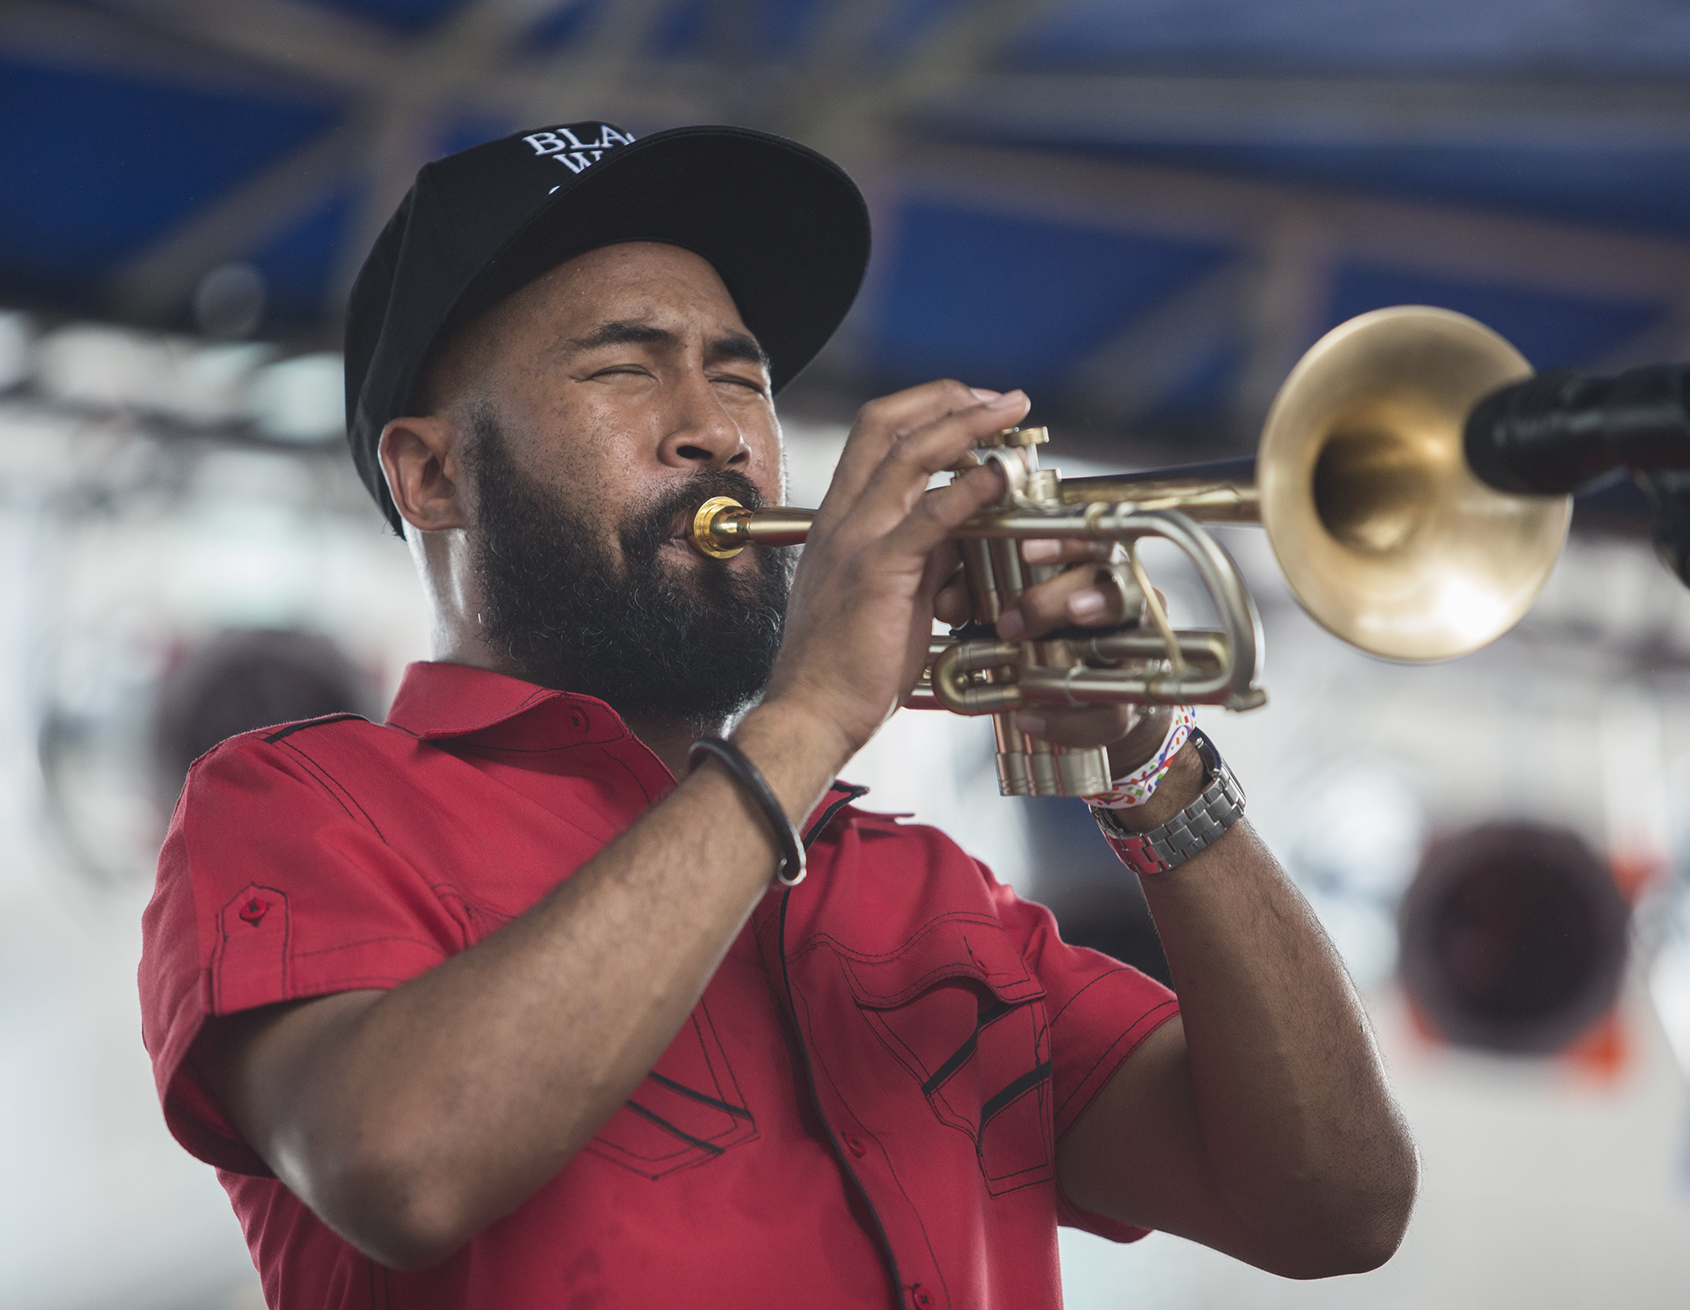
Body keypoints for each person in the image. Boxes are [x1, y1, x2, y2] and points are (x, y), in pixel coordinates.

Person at [137, 122, 1417, 1310]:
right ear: (431, 472)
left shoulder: (929, 894)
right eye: (624, 369)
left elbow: (1334, 1207)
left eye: (738, 379)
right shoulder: (299, 805)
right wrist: (806, 714)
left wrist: (1144, 757)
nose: (714, 433)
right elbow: (401, 1161)